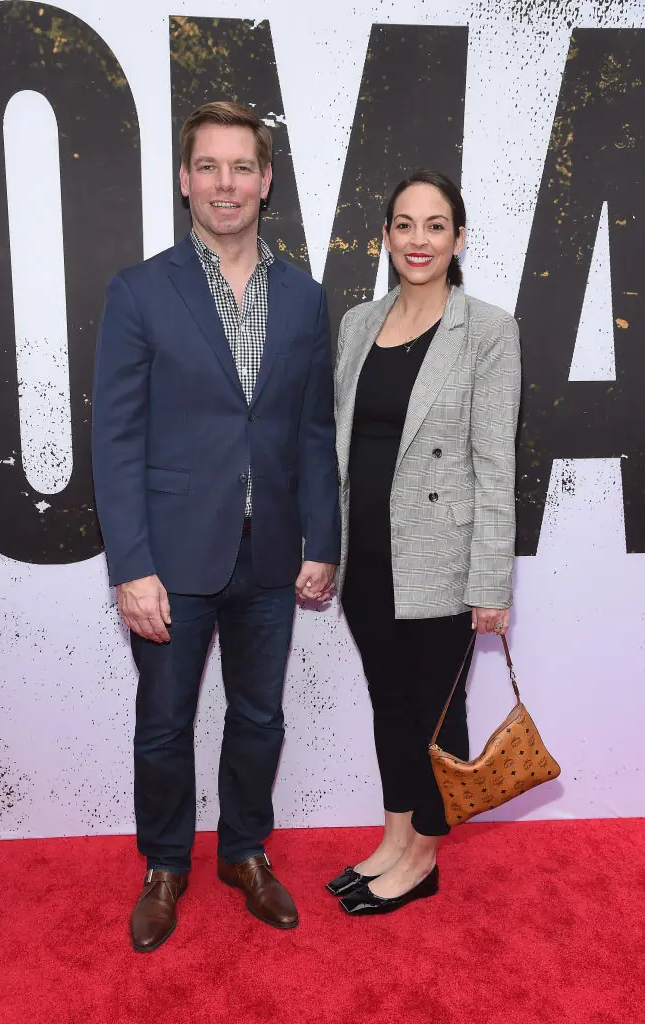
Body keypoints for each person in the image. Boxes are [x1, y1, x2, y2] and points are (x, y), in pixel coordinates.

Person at [92, 101, 339, 951]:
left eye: (242, 167)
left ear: (266, 181)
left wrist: (323, 542)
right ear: (186, 180)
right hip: (170, 558)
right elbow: (116, 439)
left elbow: (313, 432)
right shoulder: (140, 290)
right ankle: (165, 864)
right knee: (163, 723)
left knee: (259, 718)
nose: (225, 184)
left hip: (270, 554)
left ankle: (244, 853)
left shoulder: (306, 299)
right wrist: (131, 565)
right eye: (209, 167)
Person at [327, 169, 521, 916]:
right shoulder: (356, 324)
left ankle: (424, 860)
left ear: (459, 238)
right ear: (385, 236)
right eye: (404, 224)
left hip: (442, 558)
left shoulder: (489, 331)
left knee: (437, 716)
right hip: (366, 556)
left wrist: (490, 584)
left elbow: (495, 463)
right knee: (388, 704)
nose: (418, 239)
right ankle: (393, 839)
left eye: (435, 225)